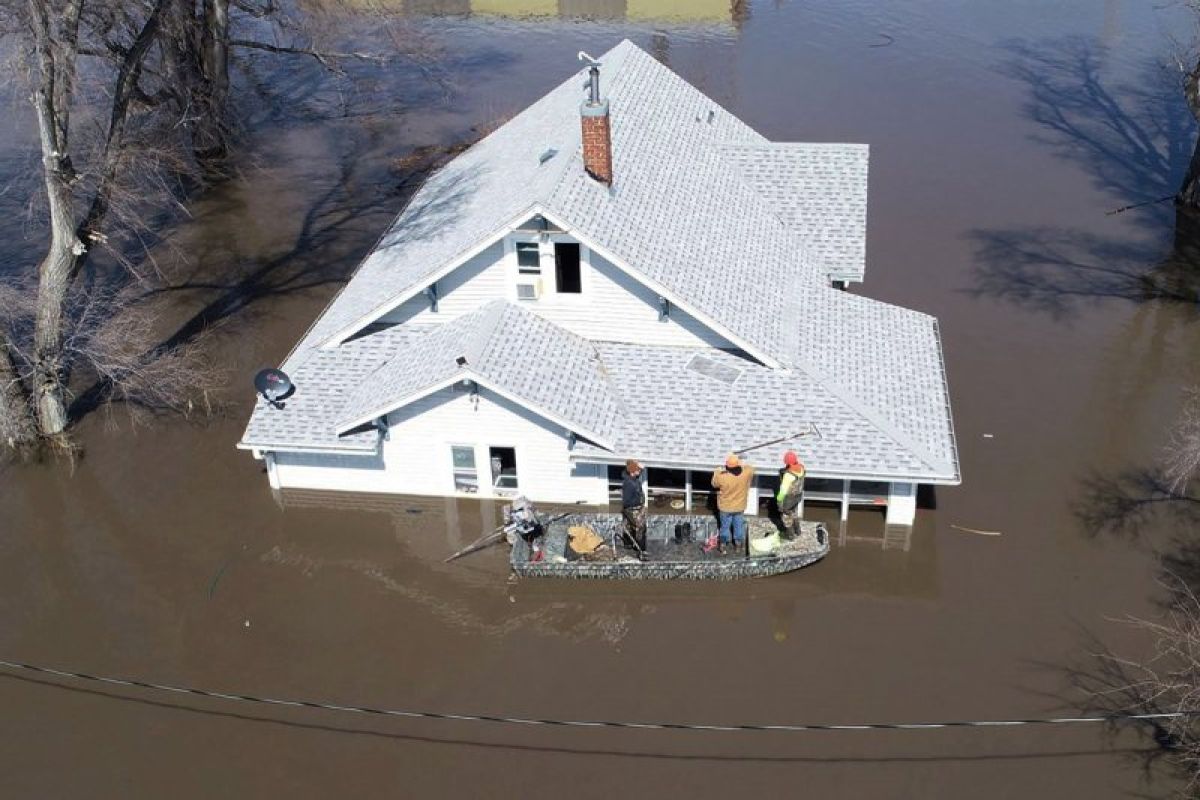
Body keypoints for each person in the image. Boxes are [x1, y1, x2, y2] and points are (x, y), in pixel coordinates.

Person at [707, 453, 755, 554]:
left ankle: (723, 545)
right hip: (740, 506)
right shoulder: (746, 473)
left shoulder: (722, 477)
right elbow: (750, 467)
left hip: (725, 507)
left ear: (727, 466)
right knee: (738, 526)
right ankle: (738, 545)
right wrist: (740, 462)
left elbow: (714, 483)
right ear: (738, 464)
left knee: (725, 526)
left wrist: (717, 471)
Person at [775, 450, 806, 539]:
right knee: (794, 513)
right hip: (798, 496)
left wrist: (779, 500)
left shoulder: (788, 475)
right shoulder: (802, 468)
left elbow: (783, 490)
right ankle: (798, 530)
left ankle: (790, 535)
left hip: (788, 499)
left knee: (786, 517)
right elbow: (795, 467)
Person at [621, 459, 648, 559]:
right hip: (633, 509)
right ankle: (641, 551)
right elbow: (626, 502)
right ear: (632, 471)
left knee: (628, 527)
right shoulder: (629, 483)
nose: (640, 471)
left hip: (634, 508)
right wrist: (638, 504)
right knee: (640, 528)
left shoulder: (634, 480)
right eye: (638, 470)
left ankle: (628, 544)